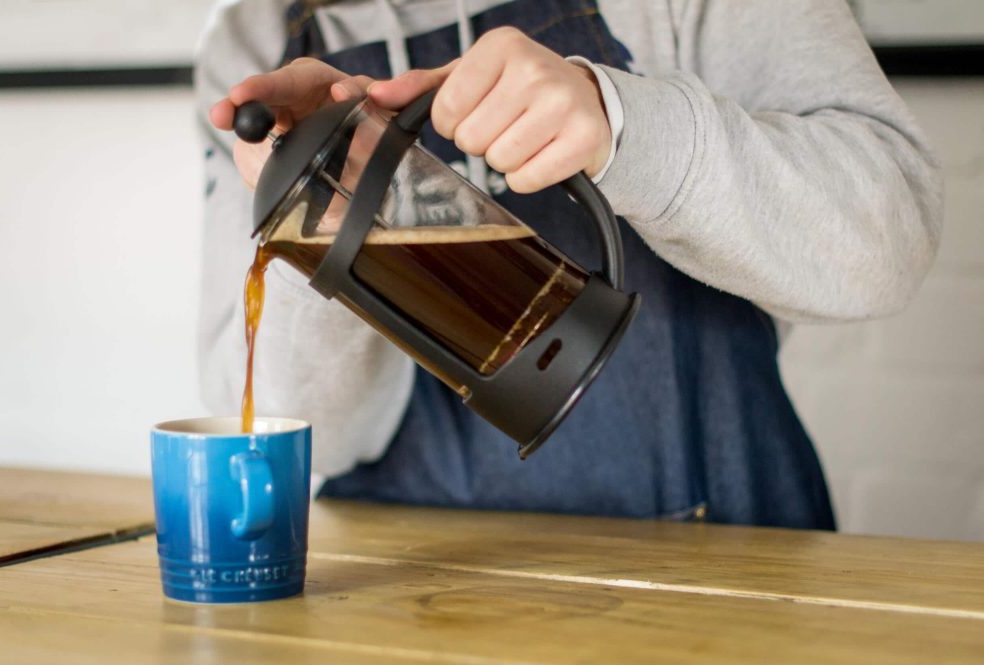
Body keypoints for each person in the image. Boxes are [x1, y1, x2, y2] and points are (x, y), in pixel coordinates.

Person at [195, 0, 942, 529]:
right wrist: (325, 221)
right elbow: (302, 431)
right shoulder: (252, 40)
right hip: (415, 589)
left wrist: (623, 125)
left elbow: (887, 243)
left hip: (725, 562)